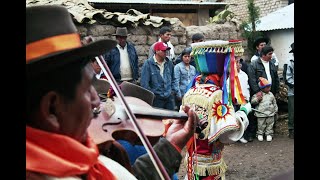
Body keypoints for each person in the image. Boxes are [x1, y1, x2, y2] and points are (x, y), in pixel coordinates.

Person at [26, 5, 199, 180]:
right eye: (88, 90)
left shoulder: (77, 158)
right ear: (52, 109)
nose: (97, 103)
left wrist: (171, 144)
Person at [181, 40, 251, 180]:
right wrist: (243, 112)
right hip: (209, 159)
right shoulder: (217, 95)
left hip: (193, 157)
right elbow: (227, 132)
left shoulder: (190, 91)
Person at [246, 45, 279, 142]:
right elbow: (252, 80)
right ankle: (256, 133)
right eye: (269, 54)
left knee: (270, 112)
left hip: (270, 92)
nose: (271, 56)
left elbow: (276, 78)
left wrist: (276, 91)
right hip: (260, 93)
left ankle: (269, 132)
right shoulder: (254, 64)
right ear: (263, 55)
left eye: (272, 53)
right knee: (258, 114)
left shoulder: (272, 64)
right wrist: (258, 92)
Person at [141, 42, 178, 110]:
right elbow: (144, 84)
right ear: (157, 51)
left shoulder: (169, 63)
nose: (165, 52)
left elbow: (174, 78)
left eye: (166, 50)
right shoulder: (148, 64)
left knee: (171, 118)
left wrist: (173, 91)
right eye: (163, 50)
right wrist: (152, 95)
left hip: (169, 98)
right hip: (156, 99)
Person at [226, 56, 251, 143]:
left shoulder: (244, 75)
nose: (238, 64)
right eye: (236, 62)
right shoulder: (230, 77)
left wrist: (247, 97)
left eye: (239, 62)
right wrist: (234, 98)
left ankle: (242, 135)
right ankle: (235, 135)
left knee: (244, 118)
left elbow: (247, 87)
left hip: (244, 100)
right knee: (235, 118)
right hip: (235, 101)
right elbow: (229, 89)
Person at [251, 77, 278, 142]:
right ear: (262, 88)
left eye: (269, 87)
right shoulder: (258, 94)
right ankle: (260, 134)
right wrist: (257, 99)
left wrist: (275, 110)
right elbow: (252, 102)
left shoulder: (271, 94)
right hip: (261, 113)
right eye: (267, 87)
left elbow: (274, 102)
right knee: (261, 125)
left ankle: (269, 134)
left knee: (270, 124)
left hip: (270, 113)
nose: (269, 88)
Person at [286, 42, 294, 139]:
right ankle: (291, 130)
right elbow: (287, 78)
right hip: (293, 91)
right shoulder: (289, 62)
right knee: (292, 111)